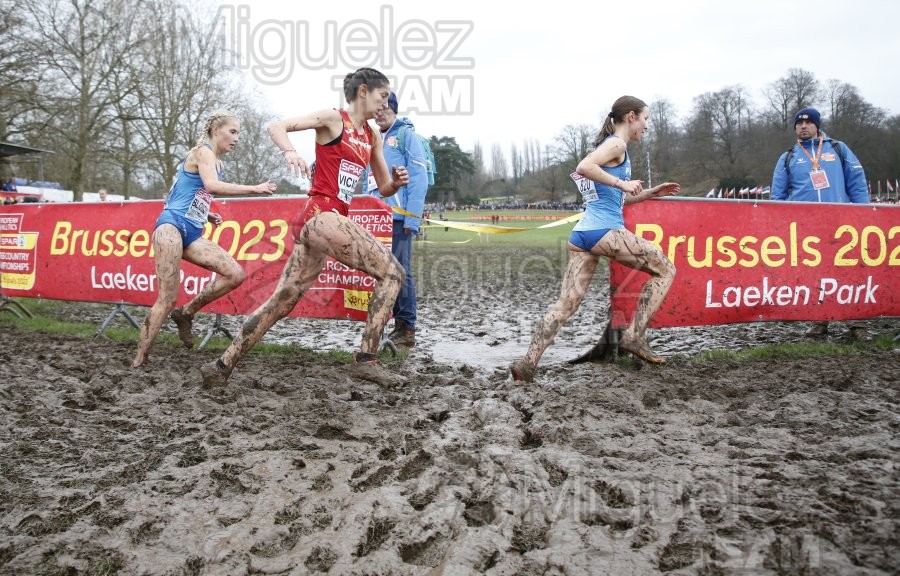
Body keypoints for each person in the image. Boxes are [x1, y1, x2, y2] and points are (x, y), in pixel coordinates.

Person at [200, 67, 409, 386]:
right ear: (363, 91)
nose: (385, 104)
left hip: (322, 222)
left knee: (282, 301)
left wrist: (394, 182)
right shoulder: (333, 118)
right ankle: (366, 360)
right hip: (321, 214)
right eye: (382, 96)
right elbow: (276, 125)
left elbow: (382, 185)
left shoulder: (372, 136)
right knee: (393, 273)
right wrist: (289, 151)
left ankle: (221, 366)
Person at [508, 95, 679, 382]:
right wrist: (622, 181)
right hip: (605, 232)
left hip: (583, 235)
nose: (647, 126)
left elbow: (614, 200)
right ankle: (634, 335)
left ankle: (527, 364)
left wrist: (650, 193)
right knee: (666, 269)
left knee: (566, 305)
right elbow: (584, 166)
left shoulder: (613, 147)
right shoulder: (616, 143)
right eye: (646, 119)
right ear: (631, 117)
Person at [132, 110, 277, 368]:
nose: (237, 138)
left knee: (235, 274)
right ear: (215, 130)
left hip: (192, 231)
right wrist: (255, 189)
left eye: (239, 133)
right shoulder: (203, 152)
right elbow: (211, 186)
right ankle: (139, 360)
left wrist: (206, 213)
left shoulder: (214, 161)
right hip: (170, 228)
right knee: (167, 298)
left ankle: (186, 313)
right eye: (233, 132)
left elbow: (180, 191)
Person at [771, 107, 868, 337]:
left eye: (808, 122)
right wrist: (780, 226)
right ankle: (819, 320)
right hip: (805, 230)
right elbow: (777, 198)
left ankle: (856, 323)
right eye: (799, 123)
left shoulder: (838, 149)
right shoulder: (788, 158)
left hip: (841, 225)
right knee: (814, 275)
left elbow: (857, 183)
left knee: (848, 272)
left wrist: (864, 214)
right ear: (795, 128)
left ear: (817, 125)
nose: (803, 126)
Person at [367, 91, 427, 348]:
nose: (379, 114)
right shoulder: (373, 139)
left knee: (401, 271)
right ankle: (384, 322)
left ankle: (406, 328)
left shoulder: (407, 136)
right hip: (375, 217)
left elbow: (418, 179)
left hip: (399, 219)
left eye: (384, 110)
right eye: (376, 110)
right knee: (381, 271)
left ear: (394, 109)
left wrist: (412, 219)